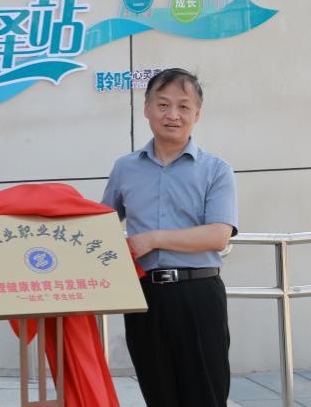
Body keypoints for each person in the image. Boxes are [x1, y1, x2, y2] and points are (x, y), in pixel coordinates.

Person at [102, 68, 238, 407]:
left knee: (205, 394)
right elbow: (101, 224)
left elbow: (218, 235)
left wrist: (153, 239)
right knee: (158, 392)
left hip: (198, 294)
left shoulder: (216, 169)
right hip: (144, 296)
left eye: (183, 106)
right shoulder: (125, 168)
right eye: (163, 105)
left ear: (197, 114)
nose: (172, 115)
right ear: (147, 109)